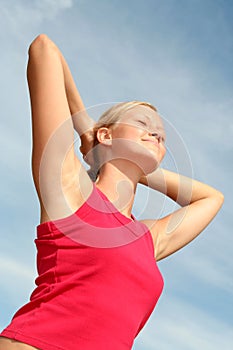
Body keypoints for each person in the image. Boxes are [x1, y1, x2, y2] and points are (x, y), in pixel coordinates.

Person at [0, 34, 224, 350]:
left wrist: (138, 167)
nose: (156, 133)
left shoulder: (149, 238)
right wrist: (86, 128)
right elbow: (43, 49)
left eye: (160, 132)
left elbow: (212, 198)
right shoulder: (70, 191)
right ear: (106, 134)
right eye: (143, 123)